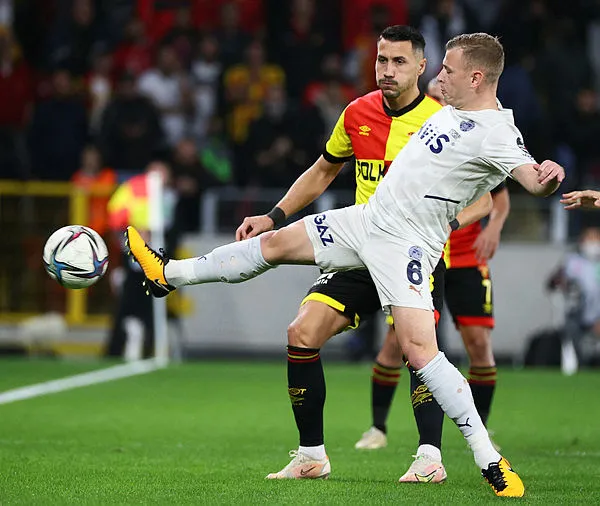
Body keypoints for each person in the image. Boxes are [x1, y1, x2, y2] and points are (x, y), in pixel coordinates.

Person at [127, 33, 566, 497]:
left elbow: (531, 180)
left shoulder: (498, 133)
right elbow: (331, 163)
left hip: (405, 247)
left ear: (476, 78)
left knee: (420, 353)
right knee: (273, 244)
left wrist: (549, 178)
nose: (439, 78)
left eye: (448, 71)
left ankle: (488, 460)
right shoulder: (447, 108)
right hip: (366, 220)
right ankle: (168, 274)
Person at [355, 78, 511, 486]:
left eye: (445, 87)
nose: (440, 94)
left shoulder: (476, 132)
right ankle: (378, 427)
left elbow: (496, 194)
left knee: (478, 345)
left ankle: (479, 429)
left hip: (466, 256)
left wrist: (493, 228)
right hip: (422, 256)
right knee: (403, 344)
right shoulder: (424, 133)